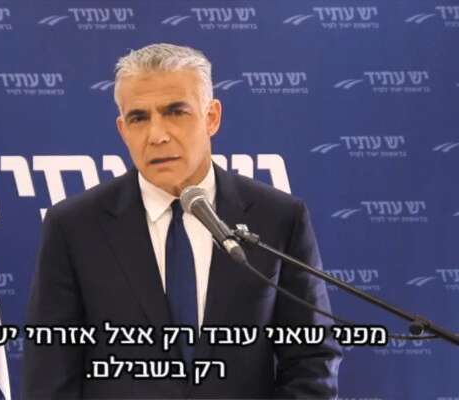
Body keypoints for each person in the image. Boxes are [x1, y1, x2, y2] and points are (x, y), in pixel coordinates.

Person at [23, 43, 342, 399]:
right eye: (139, 118)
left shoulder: (278, 218)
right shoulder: (73, 227)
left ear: (212, 117)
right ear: (122, 130)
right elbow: (49, 375)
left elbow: (312, 360)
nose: (157, 135)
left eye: (175, 112)